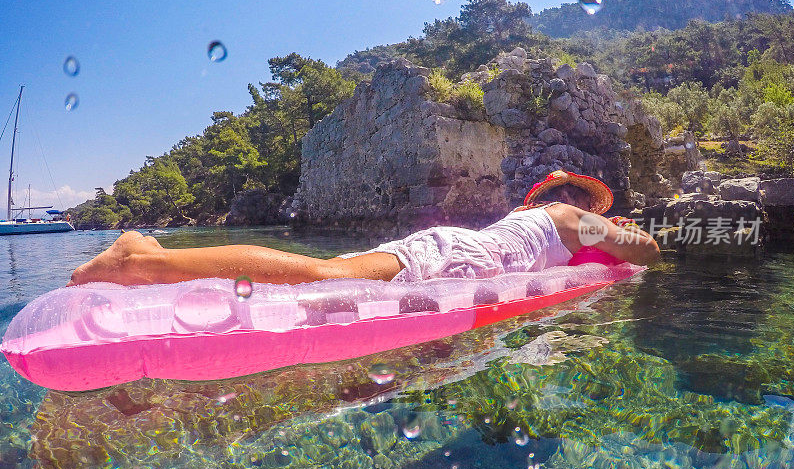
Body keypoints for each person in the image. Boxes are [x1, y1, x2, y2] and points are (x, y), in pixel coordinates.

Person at [67, 170, 659, 287]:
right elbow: (650, 253)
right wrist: (622, 232)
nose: (603, 215)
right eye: (599, 207)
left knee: (329, 273)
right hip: (460, 259)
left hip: (451, 248)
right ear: (581, 201)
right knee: (326, 275)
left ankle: (164, 267)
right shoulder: (575, 218)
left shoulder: (535, 219)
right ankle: (141, 259)